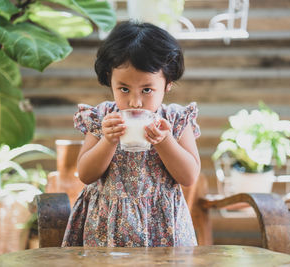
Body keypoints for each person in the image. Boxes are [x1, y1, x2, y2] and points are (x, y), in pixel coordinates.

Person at [62, 21, 201, 247]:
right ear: (110, 79)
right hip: (106, 229)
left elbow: (189, 177)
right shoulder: (103, 117)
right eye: (124, 89)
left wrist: (164, 141)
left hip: (162, 228)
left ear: (167, 84)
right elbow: (86, 174)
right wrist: (108, 140)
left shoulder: (175, 120)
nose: (135, 102)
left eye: (147, 90)